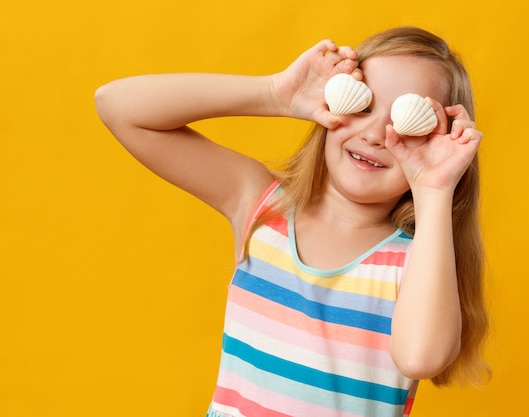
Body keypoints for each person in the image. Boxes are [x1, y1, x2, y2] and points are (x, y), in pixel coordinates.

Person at [95, 26, 489, 417]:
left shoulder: (417, 262)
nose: (374, 135)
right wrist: (273, 94)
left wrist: (434, 189)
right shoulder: (262, 206)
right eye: (363, 105)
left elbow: (422, 358)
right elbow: (117, 106)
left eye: (408, 124)